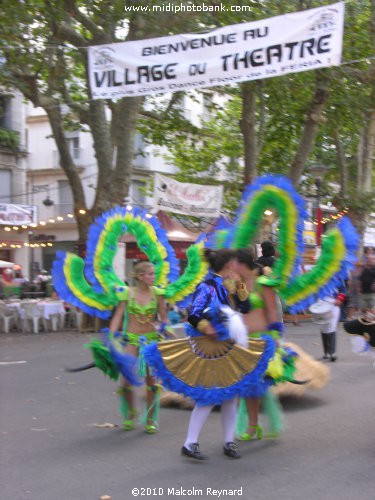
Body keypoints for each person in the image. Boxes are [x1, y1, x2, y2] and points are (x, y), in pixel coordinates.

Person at [144, 248, 276, 460]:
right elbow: (194, 315)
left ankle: (228, 441)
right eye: (233, 263)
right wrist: (208, 329)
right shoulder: (206, 286)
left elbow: (247, 306)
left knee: (231, 396)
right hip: (210, 347)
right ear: (228, 265)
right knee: (209, 395)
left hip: (229, 345)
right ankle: (190, 443)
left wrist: (240, 286)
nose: (236, 266)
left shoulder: (231, 285)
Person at [105, 261, 173, 434]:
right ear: (140, 276)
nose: (154, 276)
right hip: (132, 340)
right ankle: (129, 414)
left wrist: (168, 331)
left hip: (150, 341)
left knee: (151, 382)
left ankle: (150, 419)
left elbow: (164, 318)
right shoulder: (127, 293)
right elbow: (119, 315)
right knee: (126, 378)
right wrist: (111, 335)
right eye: (150, 274)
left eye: (154, 273)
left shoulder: (158, 293)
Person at [234, 248, 294, 440]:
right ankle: (254, 425)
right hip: (243, 340)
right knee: (247, 386)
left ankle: (255, 426)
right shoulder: (238, 285)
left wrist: (276, 338)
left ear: (243, 264)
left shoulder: (262, 283)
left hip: (262, 339)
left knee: (256, 385)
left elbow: (271, 311)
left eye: (233, 264)